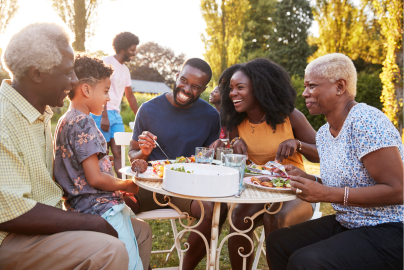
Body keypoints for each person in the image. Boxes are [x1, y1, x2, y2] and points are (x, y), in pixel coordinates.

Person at [0, 22, 151, 269]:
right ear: (37, 73)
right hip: (12, 237)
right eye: (68, 72)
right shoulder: (4, 122)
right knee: (110, 249)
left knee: (140, 233)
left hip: (44, 220)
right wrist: (90, 222)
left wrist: (109, 194)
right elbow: (12, 213)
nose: (73, 81)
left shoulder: (41, 114)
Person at [266, 53, 403, 270]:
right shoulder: (323, 134)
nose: (304, 93)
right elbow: (347, 180)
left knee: (307, 261)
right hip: (350, 223)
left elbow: (398, 191)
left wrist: (327, 194)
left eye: (312, 86)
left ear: (340, 86)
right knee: (279, 242)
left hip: (392, 228)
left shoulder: (366, 121)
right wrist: (308, 179)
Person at [210, 58, 319, 270]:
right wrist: (233, 143)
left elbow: (322, 154)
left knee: (274, 219)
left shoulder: (290, 117)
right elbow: (232, 158)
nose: (232, 93)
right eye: (231, 88)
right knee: (238, 217)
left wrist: (297, 144)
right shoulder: (236, 121)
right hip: (259, 190)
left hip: (296, 191)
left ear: (259, 89)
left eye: (240, 87)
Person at [126, 58, 228, 269]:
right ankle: (138, 265)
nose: (186, 89)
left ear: (204, 89)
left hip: (187, 190)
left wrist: (215, 154)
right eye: (184, 80)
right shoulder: (148, 109)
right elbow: (133, 158)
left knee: (215, 209)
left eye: (195, 87)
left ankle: (185, 267)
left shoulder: (210, 116)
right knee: (115, 207)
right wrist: (143, 153)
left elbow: (209, 161)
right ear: (177, 76)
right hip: (148, 185)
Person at [54, 53, 151, 270]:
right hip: (100, 209)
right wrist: (127, 184)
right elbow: (96, 178)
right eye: (106, 91)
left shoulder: (65, 120)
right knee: (130, 264)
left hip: (87, 205)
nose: (108, 99)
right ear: (86, 90)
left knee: (142, 232)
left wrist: (116, 190)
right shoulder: (83, 122)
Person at [91, 32, 139, 178]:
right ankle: (103, 183)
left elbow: (129, 96)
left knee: (118, 151)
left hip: (116, 115)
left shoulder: (125, 70)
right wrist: (104, 115)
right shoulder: (106, 62)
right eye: (132, 49)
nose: (134, 53)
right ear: (123, 48)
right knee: (103, 152)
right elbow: (100, 90)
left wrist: (140, 116)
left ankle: (120, 185)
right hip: (102, 113)